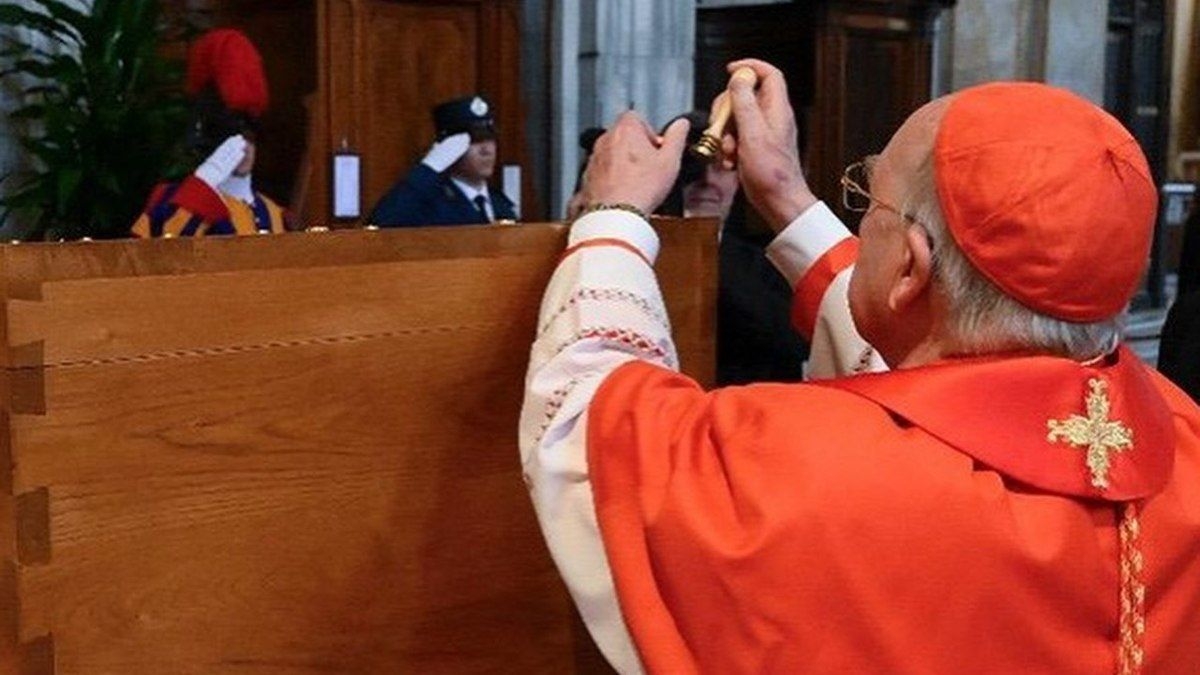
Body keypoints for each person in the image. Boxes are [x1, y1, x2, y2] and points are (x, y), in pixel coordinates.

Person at [519, 58, 1200, 674]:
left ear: (909, 263)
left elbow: (592, 414)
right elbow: (949, 382)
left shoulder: (795, 473)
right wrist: (787, 195)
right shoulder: (1183, 438)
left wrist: (613, 214)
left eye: (865, 196)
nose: (858, 216)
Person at [132, 29, 288, 237]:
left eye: (249, 134)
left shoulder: (274, 214)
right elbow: (160, 257)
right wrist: (204, 184)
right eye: (230, 136)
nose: (243, 147)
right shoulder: (168, 204)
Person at [370, 95, 516, 227]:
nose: (487, 150)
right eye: (475, 141)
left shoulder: (500, 205)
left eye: (490, 139)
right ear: (450, 146)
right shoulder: (429, 202)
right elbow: (379, 224)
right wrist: (430, 167)